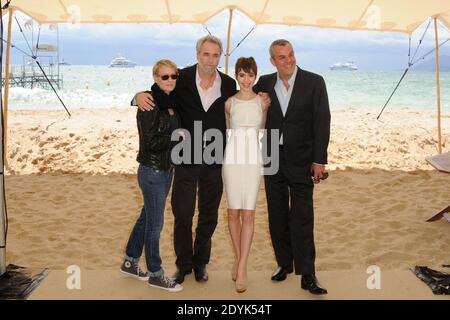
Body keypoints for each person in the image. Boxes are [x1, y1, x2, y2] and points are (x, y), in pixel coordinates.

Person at [134, 36, 237, 284]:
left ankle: (201, 263)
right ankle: (183, 265)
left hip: (215, 158)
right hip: (185, 157)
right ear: (197, 54)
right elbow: (160, 90)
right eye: (205, 54)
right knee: (183, 214)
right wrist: (137, 95)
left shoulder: (229, 84)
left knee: (209, 214)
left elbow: (245, 102)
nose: (210, 60)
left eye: (215, 55)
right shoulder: (181, 78)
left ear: (221, 56)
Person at [253, 39, 331, 295]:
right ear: (273, 61)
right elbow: (243, 99)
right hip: (272, 157)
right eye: (282, 57)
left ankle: (308, 274)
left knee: (302, 217)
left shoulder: (314, 81)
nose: (288, 61)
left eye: (290, 55)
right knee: (276, 215)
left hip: (302, 159)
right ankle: (284, 264)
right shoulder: (264, 83)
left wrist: (319, 160)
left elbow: (322, 121)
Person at [120, 59, 182, 292]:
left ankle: (130, 261)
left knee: (146, 217)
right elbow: (151, 142)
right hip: (152, 170)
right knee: (155, 224)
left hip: (166, 170)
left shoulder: (172, 99)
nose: (170, 81)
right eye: (164, 77)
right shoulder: (148, 102)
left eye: (173, 76)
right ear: (155, 77)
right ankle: (156, 274)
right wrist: (178, 138)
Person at [222, 57, 267, 293]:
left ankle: (242, 268)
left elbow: (264, 130)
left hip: (253, 161)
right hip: (232, 160)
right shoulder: (229, 103)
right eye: (241, 74)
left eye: (250, 75)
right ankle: (240, 261)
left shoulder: (263, 102)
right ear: (237, 77)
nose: (246, 80)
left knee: (248, 214)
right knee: (232, 213)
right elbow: (228, 132)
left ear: (255, 76)